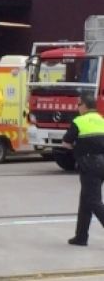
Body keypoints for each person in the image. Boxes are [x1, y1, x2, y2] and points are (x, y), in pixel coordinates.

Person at [62, 93, 104, 246]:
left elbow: (66, 143)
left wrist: (77, 148)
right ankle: (81, 236)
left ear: (85, 106)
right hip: (102, 163)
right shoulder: (101, 120)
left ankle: (81, 236)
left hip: (89, 164)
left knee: (93, 201)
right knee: (86, 200)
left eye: (79, 104)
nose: (77, 107)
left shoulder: (79, 121)